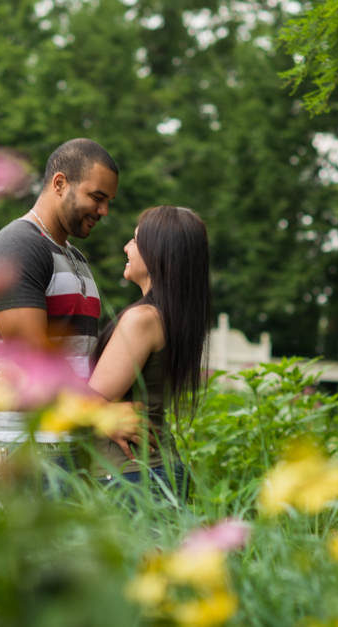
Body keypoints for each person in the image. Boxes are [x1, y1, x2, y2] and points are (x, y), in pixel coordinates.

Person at [0, 138, 140, 485]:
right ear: (59, 183)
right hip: (27, 442)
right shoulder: (18, 246)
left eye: (108, 201)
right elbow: (36, 361)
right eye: (97, 197)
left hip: (70, 441)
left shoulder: (75, 257)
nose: (104, 212)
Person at [87, 206, 212, 499]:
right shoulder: (175, 318)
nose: (126, 247)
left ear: (157, 252)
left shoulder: (142, 320)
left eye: (134, 240)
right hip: (157, 469)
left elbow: (89, 402)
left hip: (128, 475)